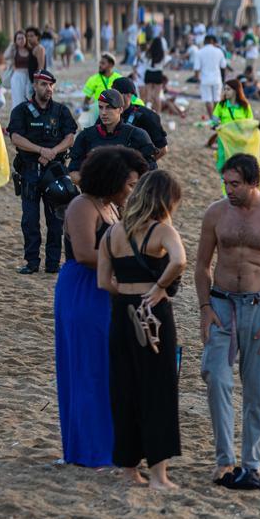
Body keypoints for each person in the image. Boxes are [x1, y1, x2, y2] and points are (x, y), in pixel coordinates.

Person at [195, 154, 260, 490]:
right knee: (216, 378)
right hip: (222, 306)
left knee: (256, 390)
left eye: (235, 184)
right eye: (225, 183)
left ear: (253, 181)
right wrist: (204, 308)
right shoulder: (216, 213)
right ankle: (225, 462)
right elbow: (201, 265)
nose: (229, 190)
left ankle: (252, 465)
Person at [55, 146, 148, 467]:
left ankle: (109, 447)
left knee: (109, 370)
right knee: (88, 368)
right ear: (112, 178)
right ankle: (89, 451)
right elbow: (83, 253)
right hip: (84, 288)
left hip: (108, 288)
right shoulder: (83, 205)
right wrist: (133, 264)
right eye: (130, 184)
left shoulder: (111, 207)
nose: (132, 191)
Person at [96, 170, 187, 490]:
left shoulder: (112, 234)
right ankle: (160, 477)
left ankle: (128, 471)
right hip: (153, 314)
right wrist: (160, 287)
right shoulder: (162, 231)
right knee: (158, 391)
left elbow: (103, 282)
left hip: (122, 314)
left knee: (124, 391)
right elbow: (179, 261)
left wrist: (126, 291)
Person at [8, 70, 78, 274]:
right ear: (35, 86)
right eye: (43, 85)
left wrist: (52, 152)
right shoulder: (21, 111)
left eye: (51, 86)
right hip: (30, 172)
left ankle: (53, 263)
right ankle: (31, 262)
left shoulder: (61, 111)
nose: (48, 89)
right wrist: (40, 150)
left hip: (54, 172)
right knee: (29, 220)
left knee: (55, 220)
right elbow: (15, 138)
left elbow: (71, 136)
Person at [68, 90, 157, 181]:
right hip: (94, 192)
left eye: (109, 107)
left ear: (121, 109)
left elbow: (150, 172)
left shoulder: (137, 135)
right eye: (101, 107)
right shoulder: (86, 136)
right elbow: (73, 172)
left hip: (126, 192)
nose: (104, 113)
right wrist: (94, 184)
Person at [113, 77, 168, 160]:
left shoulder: (147, 116)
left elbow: (163, 149)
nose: (113, 97)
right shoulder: (108, 112)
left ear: (129, 95)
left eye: (116, 94)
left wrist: (142, 166)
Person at [211, 79, 256, 172]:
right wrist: (216, 124)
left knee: (237, 164)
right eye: (225, 89)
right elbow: (214, 119)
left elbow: (250, 123)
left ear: (236, 91)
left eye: (228, 89)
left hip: (239, 139)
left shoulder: (245, 106)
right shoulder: (221, 105)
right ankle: (224, 184)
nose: (225, 92)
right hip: (224, 139)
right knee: (223, 164)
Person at [195, 35, 228, 117]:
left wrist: (197, 78)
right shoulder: (219, 51)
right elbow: (223, 66)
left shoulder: (200, 52)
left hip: (205, 79)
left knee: (207, 99)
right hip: (217, 78)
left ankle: (211, 118)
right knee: (216, 99)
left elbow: (196, 68)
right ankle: (216, 117)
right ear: (213, 41)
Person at [4, 29, 41, 103]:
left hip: (29, 76)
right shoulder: (14, 50)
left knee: (29, 98)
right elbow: (6, 56)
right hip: (18, 77)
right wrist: (11, 45)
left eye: (23, 38)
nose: (21, 40)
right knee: (18, 99)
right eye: (19, 38)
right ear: (16, 40)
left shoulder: (31, 50)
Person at [142, 33, 170, 113]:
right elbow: (166, 62)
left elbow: (143, 60)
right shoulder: (162, 54)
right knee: (157, 96)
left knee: (148, 95)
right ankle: (158, 114)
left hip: (148, 73)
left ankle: (147, 112)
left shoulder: (147, 53)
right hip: (158, 73)